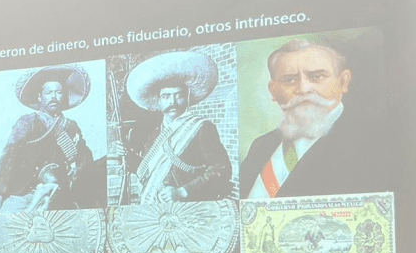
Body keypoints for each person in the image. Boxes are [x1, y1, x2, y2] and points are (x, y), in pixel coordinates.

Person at [240, 38, 381, 198]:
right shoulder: (261, 146)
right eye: (289, 80)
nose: (303, 89)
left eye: (317, 77)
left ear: (343, 81)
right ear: (273, 91)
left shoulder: (372, 143)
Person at [114, 51, 232, 205]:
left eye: (178, 95)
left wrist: (182, 191)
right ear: (159, 101)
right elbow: (146, 170)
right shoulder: (156, 132)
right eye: (166, 96)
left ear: (187, 98)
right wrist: (126, 155)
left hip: (190, 206)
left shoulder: (202, 128)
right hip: (155, 205)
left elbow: (221, 170)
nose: (173, 102)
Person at [0, 64, 103, 212]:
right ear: (40, 96)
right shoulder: (27, 122)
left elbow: (85, 159)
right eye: (48, 92)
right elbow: (9, 157)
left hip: (62, 192)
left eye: (58, 92)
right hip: (27, 192)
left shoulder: (71, 126)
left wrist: (75, 173)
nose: (54, 97)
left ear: (64, 96)